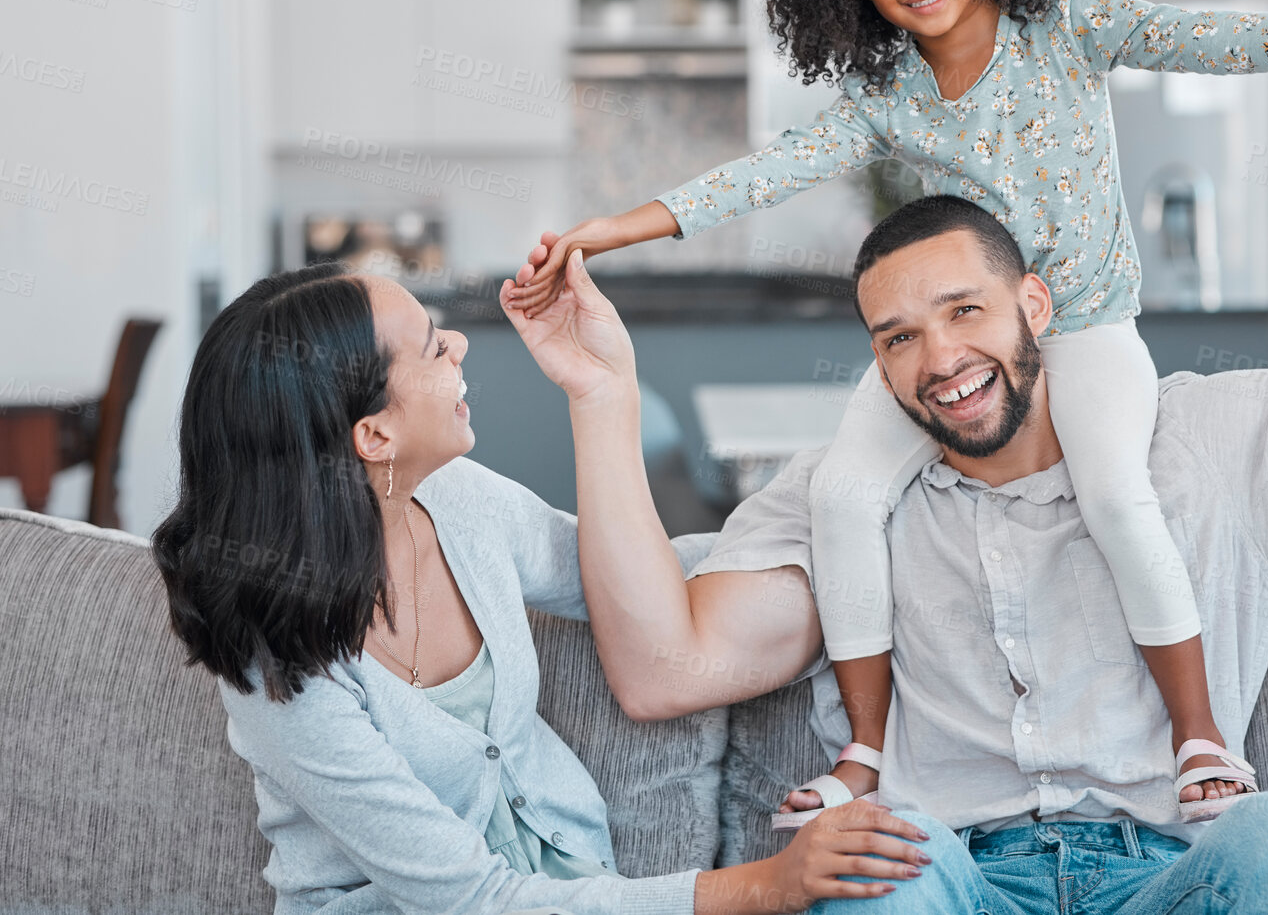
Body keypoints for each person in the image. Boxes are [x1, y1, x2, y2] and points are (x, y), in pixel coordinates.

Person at [501, 0, 1268, 912]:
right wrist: (601, 393)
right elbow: (661, 669)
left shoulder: (1217, 440)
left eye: (966, 310)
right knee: (871, 863)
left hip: (1176, 864)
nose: (939, 357)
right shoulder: (845, 495)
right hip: (951, 871)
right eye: (898, 335)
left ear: (1037, 303)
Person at [149, 265, 932, 914]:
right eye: (429, 348)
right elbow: (472, 899)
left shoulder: (460, 501)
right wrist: (768, 882)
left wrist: (841, 532)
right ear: (374, 437)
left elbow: (629, 582)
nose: (457, 342)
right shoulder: (280, 666)